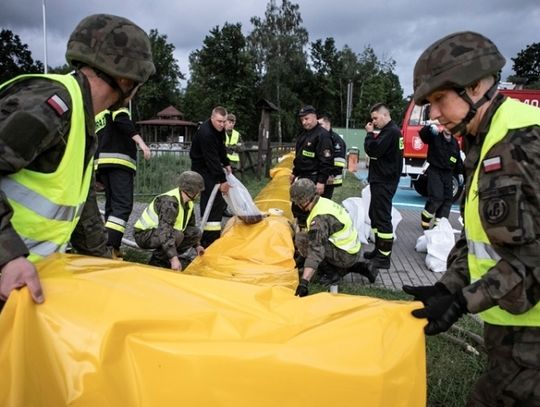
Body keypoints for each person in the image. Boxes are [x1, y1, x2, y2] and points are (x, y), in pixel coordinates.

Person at [402, 31, 540, 406]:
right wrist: (449, 285)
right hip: (513, 327)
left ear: (476, 86)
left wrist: (464, 301)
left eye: (438, 100)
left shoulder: (520, 142)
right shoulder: (486, 139)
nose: (432, 114)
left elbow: (532, 257)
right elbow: (485, 236)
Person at [0, 14, 155, 307]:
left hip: (19, 285)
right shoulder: (52, 104)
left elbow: (83, 213)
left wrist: (104, 270)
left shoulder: (83, 123)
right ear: (126, 79)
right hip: (10, 274)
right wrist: (8, 257)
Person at [291, 179, 378, 297]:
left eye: (297, 201)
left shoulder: (319, 219)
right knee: (310, 238)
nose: (296, 204)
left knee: (302, 239)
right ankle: (362, 267)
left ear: (304, 200)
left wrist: (304, 283)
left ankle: (331, 274)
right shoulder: (323, 202)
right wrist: (302, 258)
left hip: (346, 255)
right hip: (352, 250)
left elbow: (316, 251)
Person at [94, 106, 152, 257]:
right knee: (122, 206)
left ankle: (111, 245)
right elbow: (123, 121)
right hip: (119, 161)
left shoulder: (98, 114)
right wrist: (142, 143)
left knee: (111, 207)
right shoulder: (117, 106)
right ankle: (110, 247)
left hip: (102, 163)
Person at [134, 171, 206, 271]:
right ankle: (156, 264)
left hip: (163, 233)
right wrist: (174, 259)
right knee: (177, 235)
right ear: (193, 191)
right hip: (144, 235)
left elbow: (191, 226)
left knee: (195, 233)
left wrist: (197, 246)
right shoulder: (169, 203)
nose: (199, 193)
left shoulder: (188, 203)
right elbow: (165, 232)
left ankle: (166, 259)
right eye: (199, 191)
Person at [363, 103, 403, 269]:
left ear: (385, 115)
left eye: (375, 118)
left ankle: (384, 258)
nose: (373, 121)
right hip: (381, 179)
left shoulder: (391, 132)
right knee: (375, 214)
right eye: (372, 119)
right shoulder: (389, 131)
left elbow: (374, 150)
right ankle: (379, 249)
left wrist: (369, 135)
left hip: (384, 181)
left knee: (382, 218)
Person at [190, 106, 232, 247]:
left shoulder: (219, 130)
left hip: (211, 167)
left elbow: (220, 148)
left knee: (217, 201)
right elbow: (212, 159)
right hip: (201, 168)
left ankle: (212, 236)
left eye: (224, 121)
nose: (222, 124)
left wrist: (226, 163)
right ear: (212, 118)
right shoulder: (206, 133)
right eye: (219, 121)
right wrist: (222, 180)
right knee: (210, 199)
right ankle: (207, 240)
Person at [290, 105, 334, 227]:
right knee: (298, 207)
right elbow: (300, 157)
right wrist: (294, 172)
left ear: (315, 117)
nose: (304, 122)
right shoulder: (303, 134)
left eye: (307, 119)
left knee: (310, 209)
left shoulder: (322, 135)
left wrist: (321, 181)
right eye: (302, 120)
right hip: (302, 177)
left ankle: (311, 237)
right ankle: (300, 234)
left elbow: (326, 161)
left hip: (314, 178)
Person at [419, 123, 462, 230]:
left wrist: (460, 172)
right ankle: (426, 217)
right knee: (437, 197)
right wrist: (429, 128)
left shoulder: (454, 143)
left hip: (448, 173)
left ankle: (439, 225)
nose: (449, 129)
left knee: (448, 199)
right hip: (435, 170)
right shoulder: (435, 137)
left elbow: (457, 159)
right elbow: (423, 136)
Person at [318, 115, 347, 199]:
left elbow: (339, 160)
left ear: (328, 124)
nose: (318, 127)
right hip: (321, 176)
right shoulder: (321, 137)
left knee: (324, 201)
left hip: (330, 178)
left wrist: (332, 174)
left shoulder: (336, 140)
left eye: (321, 124)